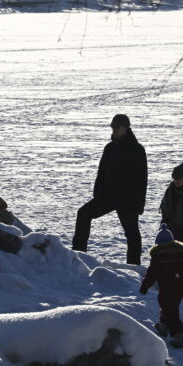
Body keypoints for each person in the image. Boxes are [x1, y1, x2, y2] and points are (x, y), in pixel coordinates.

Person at [72, 113, 148, 263]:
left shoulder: (137, 149)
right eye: (112, 127)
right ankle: (78, 257)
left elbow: (142, 179)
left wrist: (138, 205)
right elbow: (101, 173)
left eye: (117, 127)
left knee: (133, 235)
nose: (114, 130)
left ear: (126, 128)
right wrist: (98, 193)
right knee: (83, 214)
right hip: (108, 197)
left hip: (127, 200)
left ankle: (134, 268)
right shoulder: (109, 148)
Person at [140, 223, 183, 349]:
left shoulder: (158, 258)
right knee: (169, 307)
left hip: (167, 287)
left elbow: (152, 274)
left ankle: (178, 335)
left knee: (169, 308)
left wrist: (145, 286)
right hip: (179, 287)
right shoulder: (181, 256)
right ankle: (163, 325)